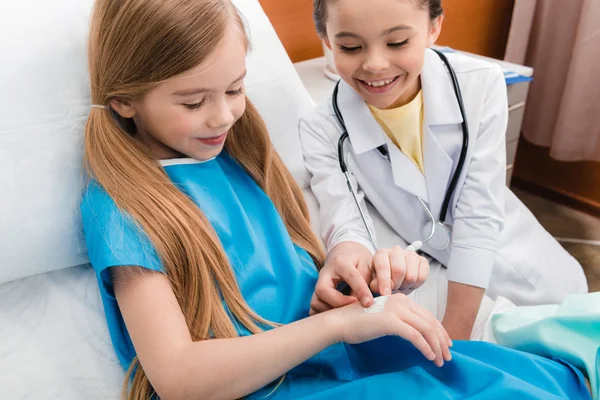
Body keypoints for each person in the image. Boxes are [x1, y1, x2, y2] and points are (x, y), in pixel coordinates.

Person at [80, 0, 591, 398]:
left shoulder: (240, 158)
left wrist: (342, 283)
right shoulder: (124, 206)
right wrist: (337, 321)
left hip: (339, 356)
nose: (223, 117)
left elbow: (296, 282)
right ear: (124, 99)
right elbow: (180, 380)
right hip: (295, 381)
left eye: (235, 90)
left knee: (540, 368)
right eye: (194, 102)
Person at [299, 0, 588, 340]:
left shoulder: (479, 85)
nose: (375, 64)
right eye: (350, 47)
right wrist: (348, 254)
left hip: (523, 268)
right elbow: (345, 220)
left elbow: (477, 215)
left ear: (433, 27)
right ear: (327, 39)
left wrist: (456, 340)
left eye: (397, 42)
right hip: (431, 273)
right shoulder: (321, 128)